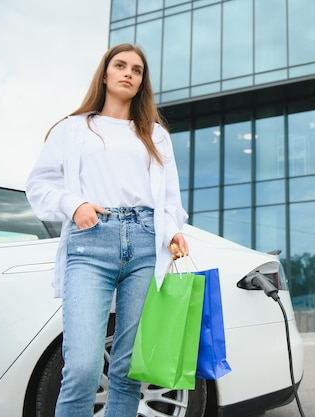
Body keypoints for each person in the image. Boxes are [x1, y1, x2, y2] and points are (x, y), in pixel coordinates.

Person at [26, 43, 189, 417]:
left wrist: (172, 232)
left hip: (146, 242)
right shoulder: (73, 128)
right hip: (91, 243)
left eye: (137, 70)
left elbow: (169, 201)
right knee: (82, 367)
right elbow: (38, 184)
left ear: (142, 82)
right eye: (121, 65)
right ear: (105, 74)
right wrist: (74, 205)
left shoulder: (156, 135)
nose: (129, 73)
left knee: (129, 370)